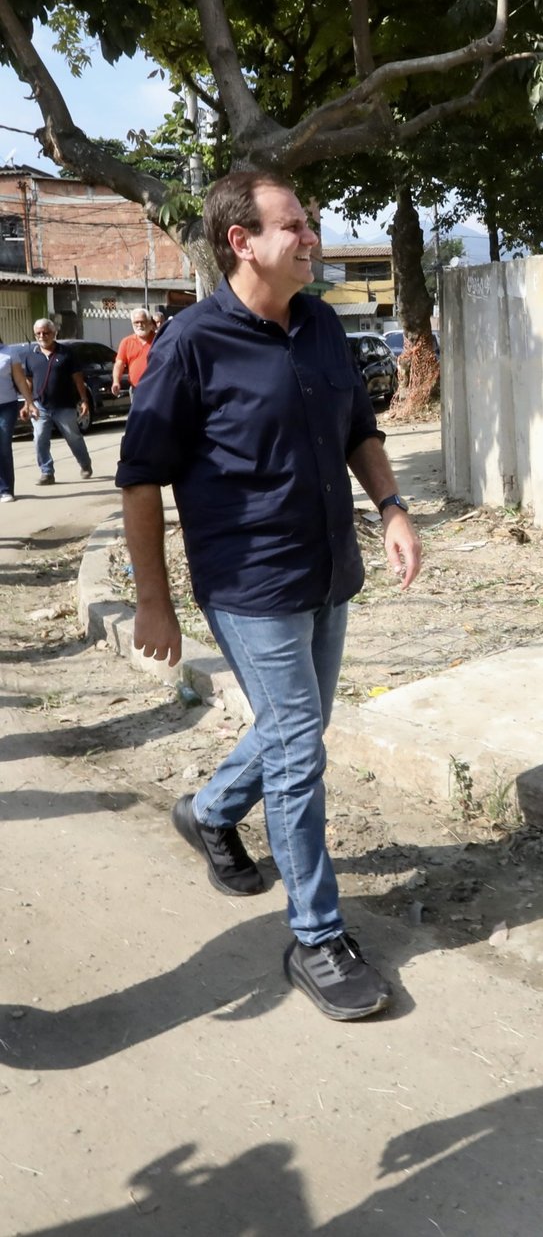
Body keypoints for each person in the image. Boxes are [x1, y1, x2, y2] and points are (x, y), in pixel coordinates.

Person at [118, 171, 422, 1021]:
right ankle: (317, 935)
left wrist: (392, 508)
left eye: (311, 222)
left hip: (326, 568)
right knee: (296, 746)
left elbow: (359, 426)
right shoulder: (189, 344)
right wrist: (154, 599)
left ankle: (210, 811)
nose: (312, 236)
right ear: (241, 242)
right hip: (249, 583)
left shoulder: (321, 324)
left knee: (302, 726)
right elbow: (141, 479)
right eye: (294, 225)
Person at [21, 318, 92, 484]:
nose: (42, 336)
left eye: (45, 332)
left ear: (54, 333)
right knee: (40, 439)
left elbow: (78, 378)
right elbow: (28, 382)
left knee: (73, 437)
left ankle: (85, 464)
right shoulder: (31, 356)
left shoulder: (66, 353)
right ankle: (47, 472)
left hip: (64, 405)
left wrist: (84, 400)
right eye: (38, 333)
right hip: (40, 406)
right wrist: (27, 403)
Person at [0, 339, 36, 502]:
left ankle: (6, 489)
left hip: (6, 406)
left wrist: (29, 403)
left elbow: (20, 380)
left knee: (3, 445)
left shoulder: (9, 353)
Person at [111, 306, 158, 395]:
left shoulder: (159, 340)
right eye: (136, 322)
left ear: (149, 323)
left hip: (156, 389)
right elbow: (119, 364)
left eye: (142, 322)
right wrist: (116, 381)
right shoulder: (126, 342)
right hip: (136, 389)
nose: (139, 325)